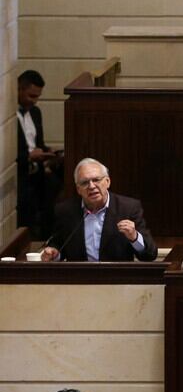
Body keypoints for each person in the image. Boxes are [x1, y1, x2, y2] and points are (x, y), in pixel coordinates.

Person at [41, 158, 158, 262]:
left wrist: (134, 237)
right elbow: (59, 244)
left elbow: (150, 255)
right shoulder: (65, 211)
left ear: (107, 182)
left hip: (117, 281)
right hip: (79, 281)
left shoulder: (128, 208)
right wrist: (54, 254)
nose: (91, 186)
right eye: (85, 182)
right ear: (78, 189)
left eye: (96, 180)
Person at [16, 70, 63, 239]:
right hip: (20, 174)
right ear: (19, 89)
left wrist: (48, 152)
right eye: (31, 96)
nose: (34, 101)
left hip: (37, 172)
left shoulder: (35, 112)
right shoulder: (8, 117)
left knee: (53, 195)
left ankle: (47, 240)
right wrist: (29, 156)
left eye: (37, 97)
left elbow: (38, 143)